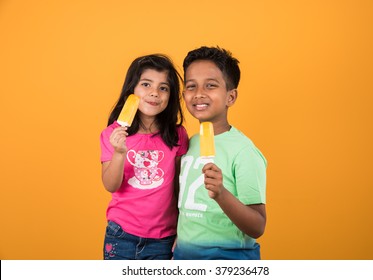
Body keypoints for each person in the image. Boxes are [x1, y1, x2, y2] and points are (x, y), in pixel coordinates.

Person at [174, 46, 267, 260]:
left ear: (230, 97)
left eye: (210, 85)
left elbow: (258, 225)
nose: (199, 93)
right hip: (184, 257)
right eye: (191, 86)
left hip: (227, 260)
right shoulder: (191, 143)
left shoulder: (244, 151)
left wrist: (221, 194)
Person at [100, 54, 188, 260]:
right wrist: (120, 153)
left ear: (171, 96)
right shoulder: (111, 135)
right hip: (121, 235)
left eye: (163, 88)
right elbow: (111, 185)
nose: (154, 93)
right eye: (146, 84)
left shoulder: (177, 135)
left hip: (164, 238)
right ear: (132, 90)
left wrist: (183, 230)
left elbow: (178, 187)